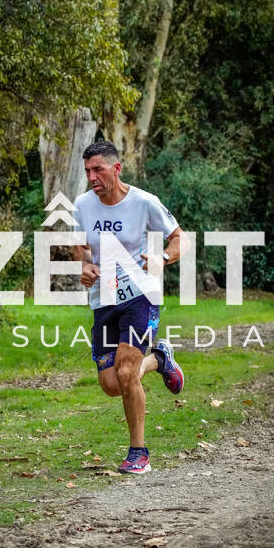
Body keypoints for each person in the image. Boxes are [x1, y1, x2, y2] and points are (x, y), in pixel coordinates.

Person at [73, 141, 185, 474]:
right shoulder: (82, 205)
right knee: (111, 383)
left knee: (125, 372)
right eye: (88, 171)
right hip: (104, 299)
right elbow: (81, 246)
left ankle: (139, 452)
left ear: (117, 168)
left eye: (98, 170)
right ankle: (160, 359)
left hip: (141, 295)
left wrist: (163, 257)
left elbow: (180, 238)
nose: (92, 178)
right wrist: (85, 265)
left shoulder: (144, 202)